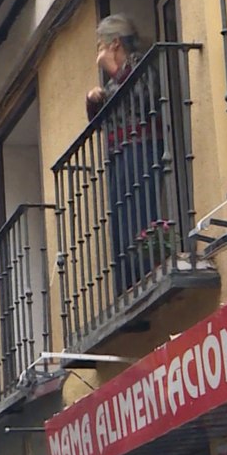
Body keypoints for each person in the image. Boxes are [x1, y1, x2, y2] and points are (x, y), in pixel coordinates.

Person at [87, 15, 166, 294]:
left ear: (115, 44)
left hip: (141, 150)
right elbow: (100, 124)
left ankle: (149, 265)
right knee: (123, 222)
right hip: (121, 156)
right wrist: (94, 102)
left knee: (140, 213)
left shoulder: (141, 66)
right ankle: (130, 280)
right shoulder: (111, 85)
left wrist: (115, 72)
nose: (98, 54)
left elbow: (146, 97)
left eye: (100, 46)